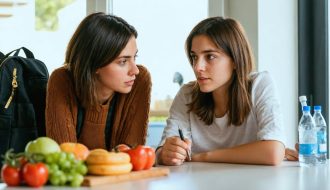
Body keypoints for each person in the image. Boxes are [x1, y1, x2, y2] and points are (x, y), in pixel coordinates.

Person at [156, 17, 286, 166]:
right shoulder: (187, 94)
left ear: (236, 60)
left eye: (210, 56)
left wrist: (203, 156)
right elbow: (162, 152)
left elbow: (273, 152)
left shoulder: (260, 84)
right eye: (194, 57)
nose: (198, 67)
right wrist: (165, 153)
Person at [46, 12, 151, 150]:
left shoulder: (139, 80)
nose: (134, 70)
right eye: (123, 61)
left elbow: (133, 155)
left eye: (134, 57)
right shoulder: (62, 81)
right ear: (94, 63)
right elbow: (66, 157)